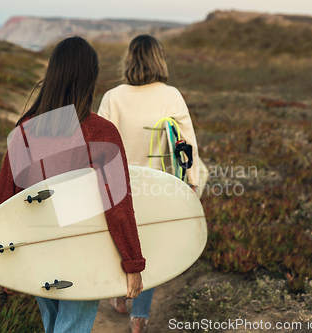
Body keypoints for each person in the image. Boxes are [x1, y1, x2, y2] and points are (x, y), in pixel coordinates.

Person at [0, 36, 145, 333]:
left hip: (38, 248)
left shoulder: (28, 128)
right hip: (84, 250)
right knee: (70, 327)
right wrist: (133, 264)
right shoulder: (100, 131)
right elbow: (118, 205)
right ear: (89, 78)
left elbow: (3, 197)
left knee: (54, 325)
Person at [98, 34, 200, 333]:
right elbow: (187, 143)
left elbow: (98, 146)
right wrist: (192, 184)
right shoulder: (171, 95)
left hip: (119, 187)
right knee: (150, 247)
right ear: (159, 59)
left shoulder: (113, 97)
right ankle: (139, 317)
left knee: (121, 239)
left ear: (128, 60)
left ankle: (119, 297)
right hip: (158, 186)